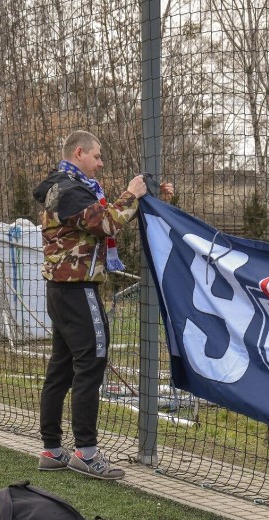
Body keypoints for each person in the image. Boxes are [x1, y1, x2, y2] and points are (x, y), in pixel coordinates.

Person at [33, 130, 173, 480]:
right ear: (79, 153)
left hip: (61, 289)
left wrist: (146, 197)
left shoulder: (63, 188)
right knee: (91, 363)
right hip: (77, 288)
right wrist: (132, 193)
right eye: (97, 156)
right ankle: (87, 452)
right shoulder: (68, 190)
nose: (100, 163)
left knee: (61, 367)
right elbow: (106, 222)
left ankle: (51, 449)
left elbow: (102, 214)